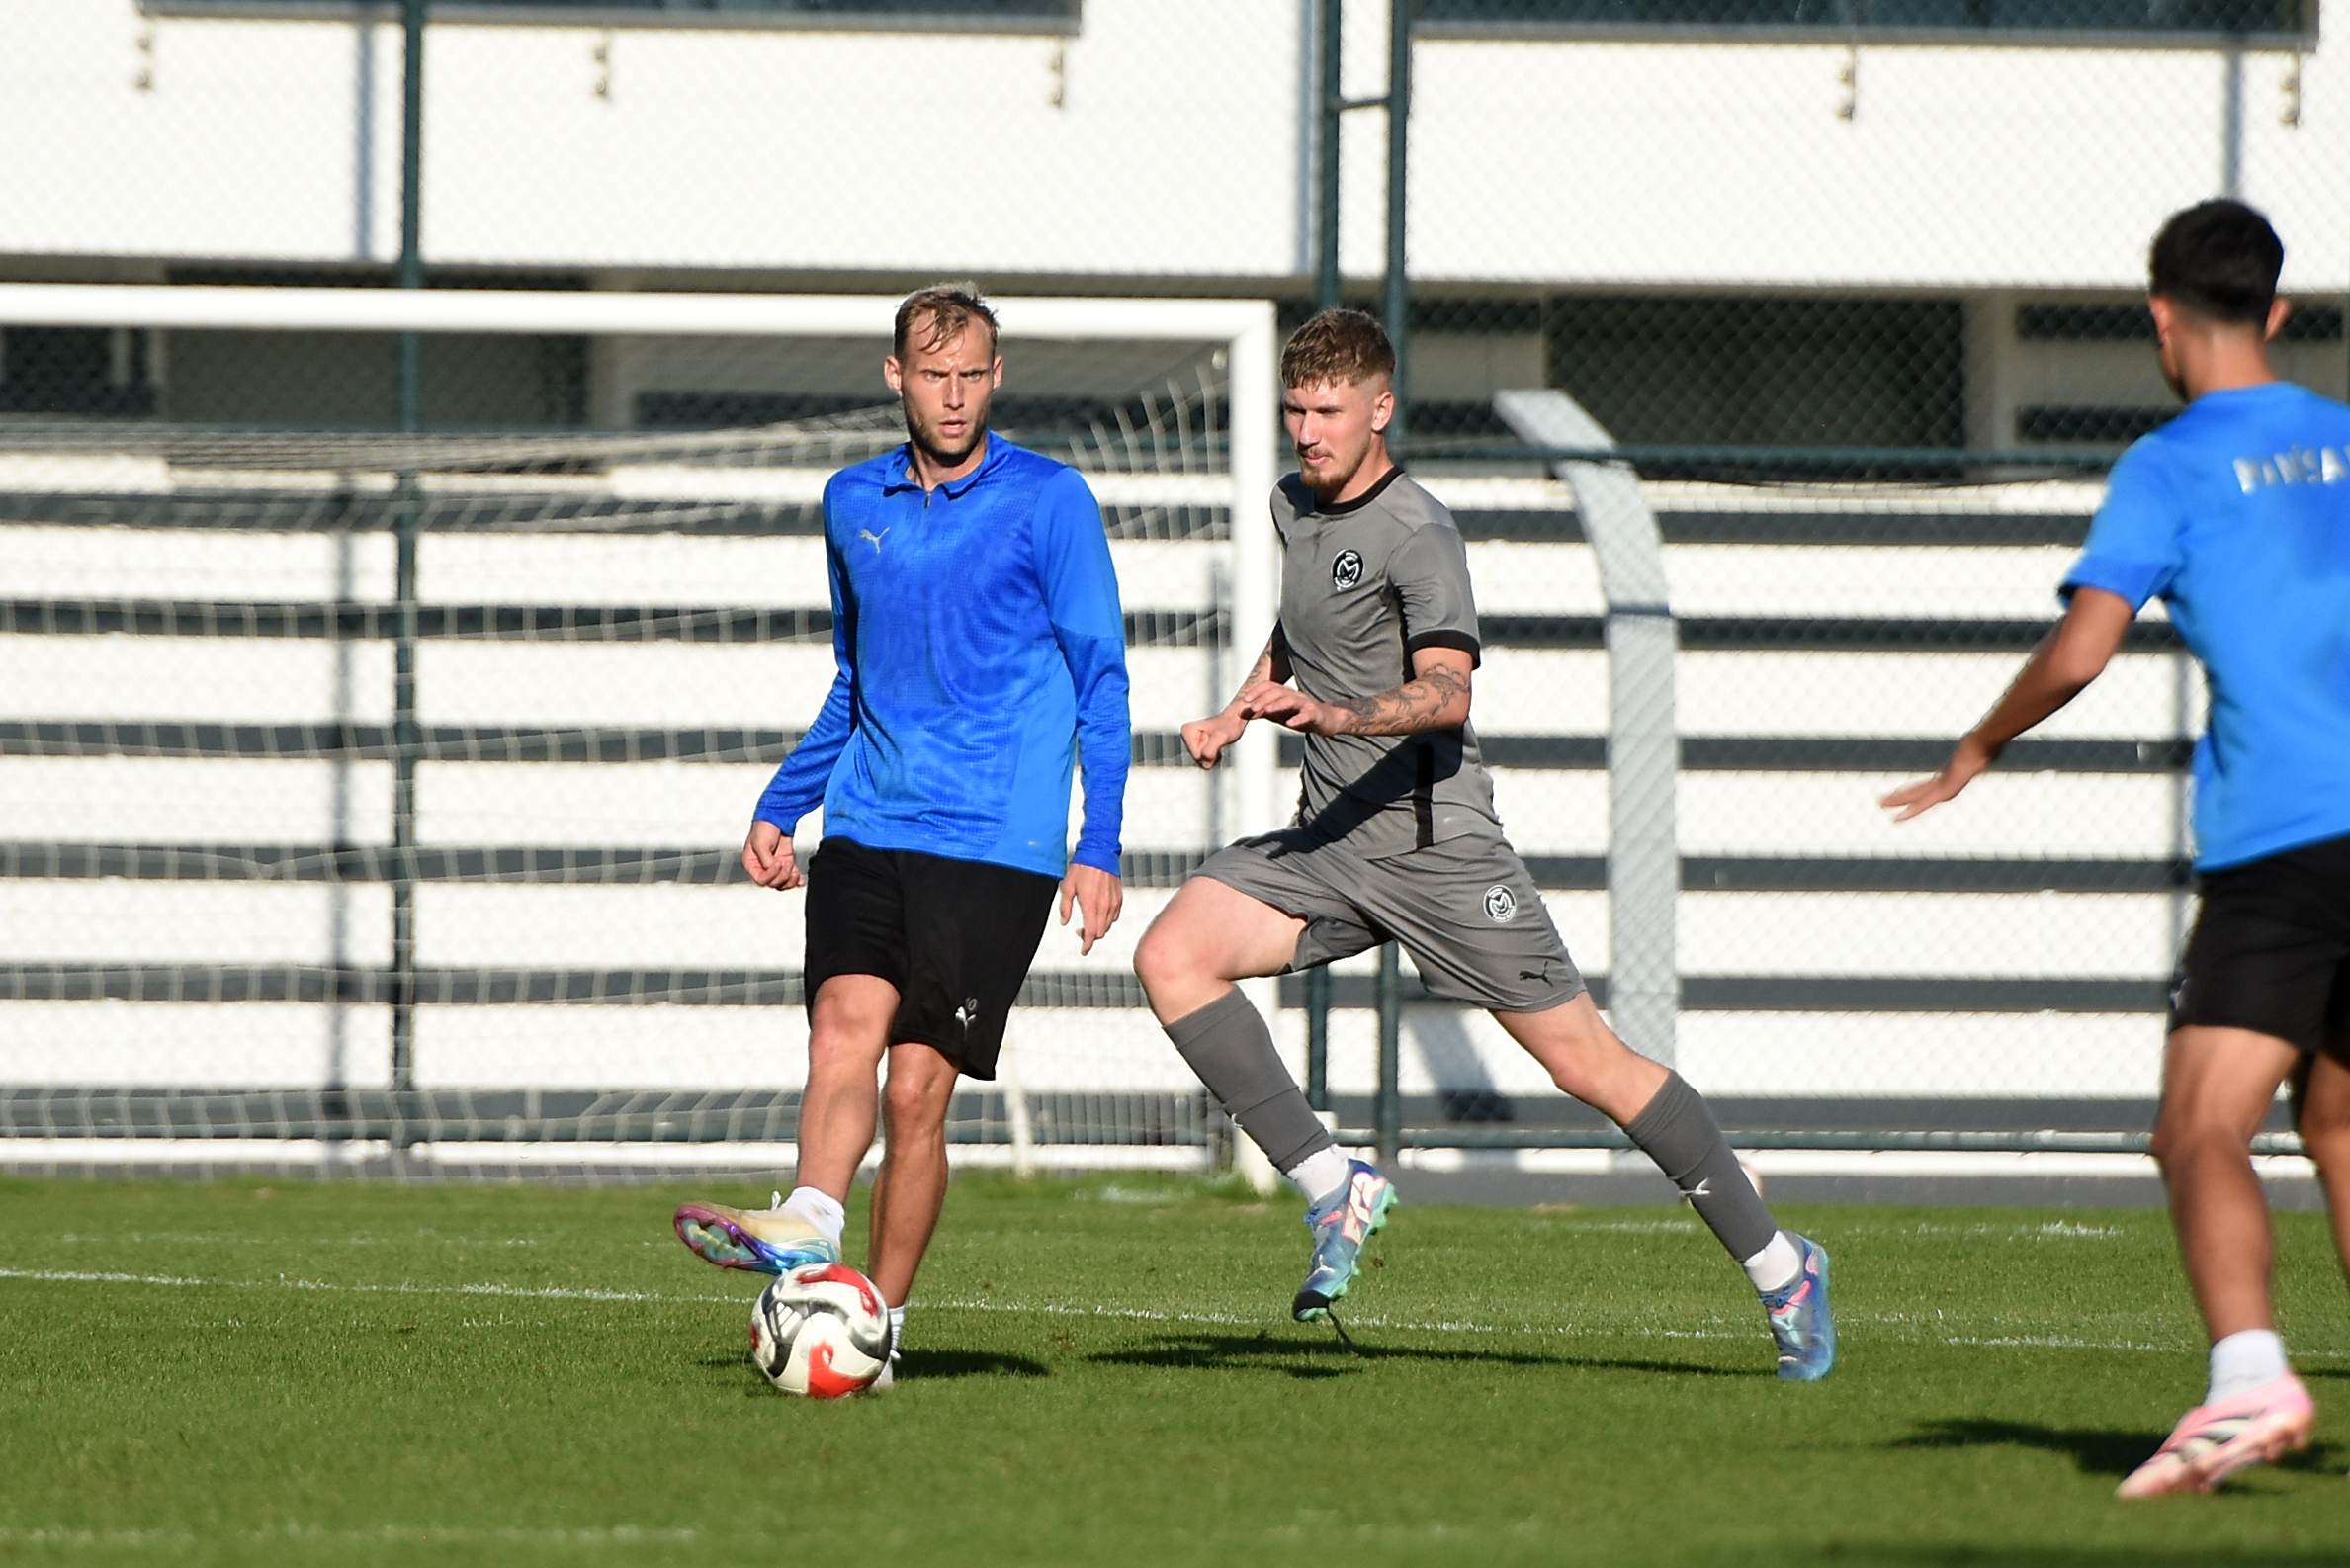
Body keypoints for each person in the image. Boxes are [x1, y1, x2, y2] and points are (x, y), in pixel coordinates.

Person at [1131, 308, 1835, 1378]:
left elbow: (1448, 690)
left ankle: (1783, 1266)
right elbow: (1299, 623)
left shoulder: (1421, 530)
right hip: (1329, 843)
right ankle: (1335, 1185)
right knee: (1171, 953)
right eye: (1294, 410)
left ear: (1381, 408)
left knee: (1586, 1062)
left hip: (1434, 847)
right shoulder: (1291, 505)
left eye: (1328, 411)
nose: (1308, 431)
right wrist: (1242, 708)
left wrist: (1341, 716)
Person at [1884, 200, 2350, 1496]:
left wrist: (1976, 747)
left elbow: (2083, 648)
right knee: (2340, 1115)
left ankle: (2248, 1376)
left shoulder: (2170, 462)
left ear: (2159, 318)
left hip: (2292, 836)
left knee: (2199, 1126)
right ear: (2276, 313)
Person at [670, 285, 1131, 1389]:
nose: (956, 395)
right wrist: (785, 801)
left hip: (998, 837)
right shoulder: (850, 502)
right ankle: (811, 1219)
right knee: (843, 1027)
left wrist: (1099, 839)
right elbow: (855, 676)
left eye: (973, 374)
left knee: (918, 1088)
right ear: (896, 377)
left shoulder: (1051, 501)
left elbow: (1100, 677)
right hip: (871, 815)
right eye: (935, 375)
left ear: (996, 375)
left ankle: (881, 1323)